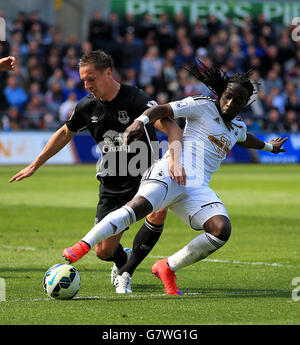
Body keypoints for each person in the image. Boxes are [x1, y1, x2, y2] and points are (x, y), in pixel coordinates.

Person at [62, 60, 287, 295]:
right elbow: (163, 110)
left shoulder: (237, 127)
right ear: (222, 93)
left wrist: (270, 148)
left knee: (221, 230)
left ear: (244, 104)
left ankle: (167, 267)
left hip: (197, 187)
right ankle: (82, 245)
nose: (230, 103)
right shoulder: (202, 106)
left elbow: (246, 138)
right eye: (228, 96)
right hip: (170, 171)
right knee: (138, 207)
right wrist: (141, 121)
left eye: (237, 101)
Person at [10, 50, 184, 291]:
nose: (86, 85)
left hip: (147, 176)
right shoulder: (86, 107)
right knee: (103, 252)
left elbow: (173, 129)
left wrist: (174, 161)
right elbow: (64, 133)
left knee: (159, 210)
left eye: (91, 78)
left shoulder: (136, 99)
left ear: (108, 73)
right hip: (112, 184)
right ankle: (120, 259)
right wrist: (35, 164)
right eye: (83, 80)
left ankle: (126, 272)